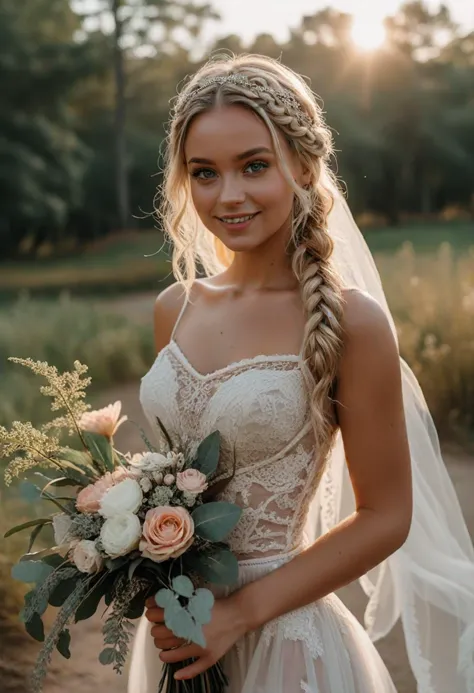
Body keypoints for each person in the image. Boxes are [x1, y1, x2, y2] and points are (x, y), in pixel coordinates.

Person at [128, 54, 474, 693]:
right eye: (205, 173)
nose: (227, 195)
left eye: (253, 166)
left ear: (304, 167)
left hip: (283, 638)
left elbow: (386, 515)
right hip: (184, 631)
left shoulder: (351, 322)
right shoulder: (174, 311)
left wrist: (240, 615)